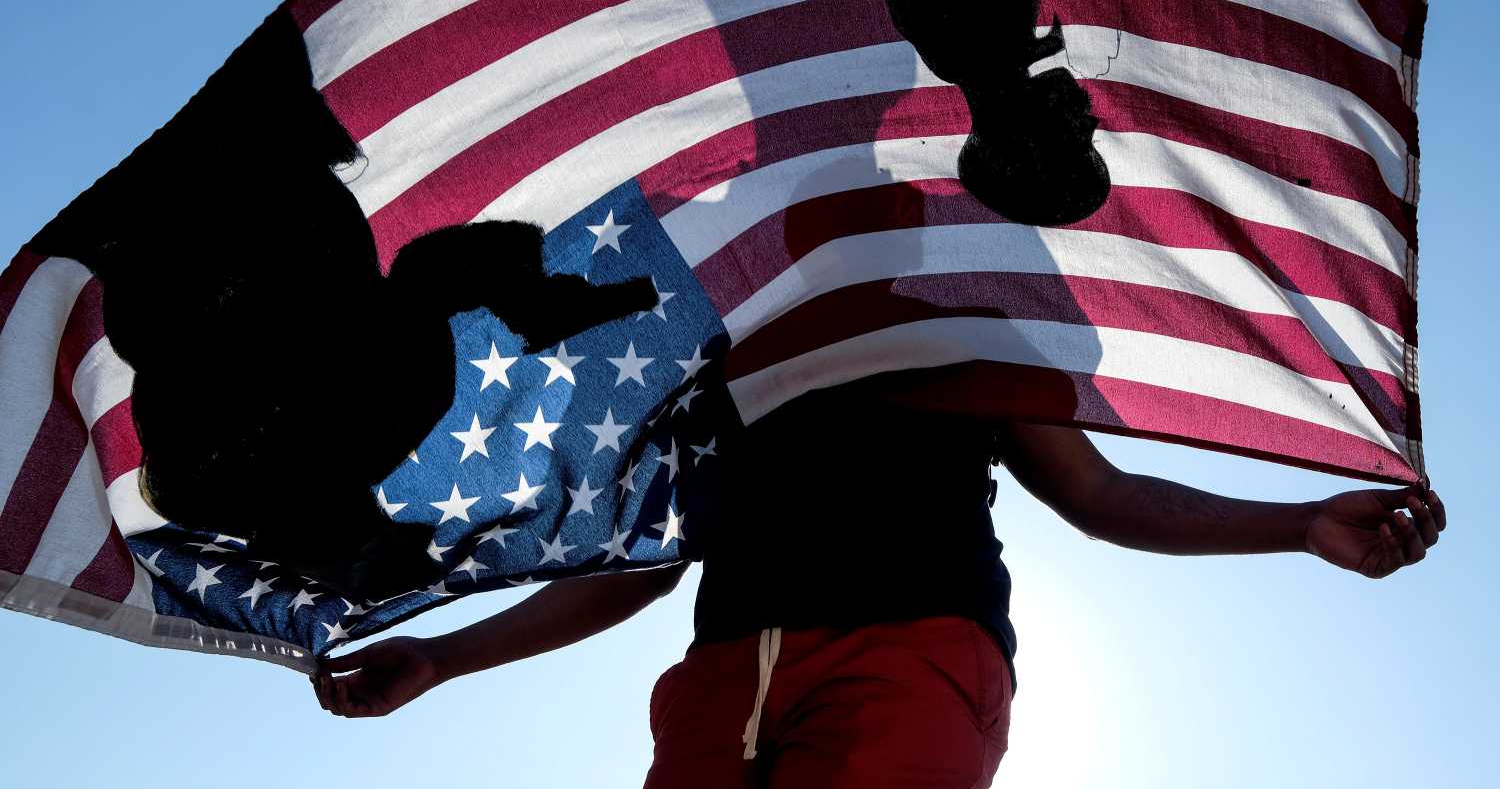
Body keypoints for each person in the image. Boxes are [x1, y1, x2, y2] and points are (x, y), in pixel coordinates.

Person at [310, 378, 1446, 788]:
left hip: (911, 651)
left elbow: (1100, 495)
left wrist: (1300, 521)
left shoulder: (973, 317)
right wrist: (445, 653)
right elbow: (643, 566)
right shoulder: (726, 352)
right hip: (717, 677)